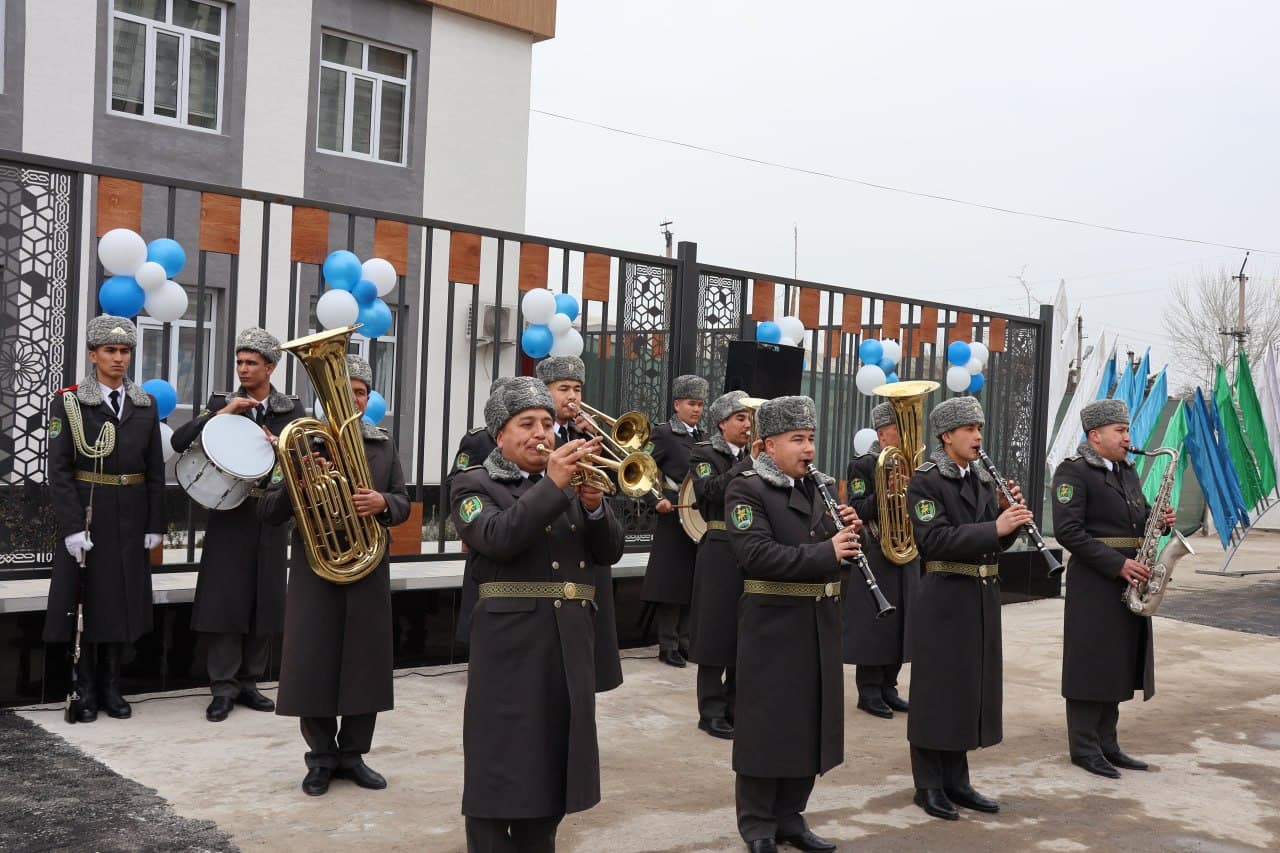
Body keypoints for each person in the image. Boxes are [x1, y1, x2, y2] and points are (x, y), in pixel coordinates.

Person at [452, 376, 625, 853]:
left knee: (553, 758)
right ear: (499, 435)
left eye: (547, 423)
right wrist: (554, 485)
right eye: (525, 423)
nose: (541, 433)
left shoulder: (572, 485)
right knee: (500, 759)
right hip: (508, 643)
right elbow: (498, 538)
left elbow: (608, 552)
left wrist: (594, 508)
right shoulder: (473, 483)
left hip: (568, 641)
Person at [258, 355, 409, 796]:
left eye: (360, 391)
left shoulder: (383, 445)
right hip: (316, 568)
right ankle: (320, 759)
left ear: (367, 399)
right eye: (344, 391)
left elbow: (402, 500)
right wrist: (298, 483)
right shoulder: (300, 444)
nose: (352, 398)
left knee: (366, 664)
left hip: (366, 565)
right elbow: (268, 511)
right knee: (314, 663)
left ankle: (353, 755)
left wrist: (381, 503)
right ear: (325, 398)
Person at [725, 395, 856, 853]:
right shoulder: (746, 488)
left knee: (809, 723)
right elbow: (755, 554)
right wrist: (827, 550)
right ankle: (758, 824)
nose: (808, 449)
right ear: (768, 445)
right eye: (797, 439)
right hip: (772, 624)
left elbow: (832, 553)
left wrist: (848, 537)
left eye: (811, 438)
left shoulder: (817, 486)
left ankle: (790, 817)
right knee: (769, 726)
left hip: (818, 622)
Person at [905, 396, 1032, 821]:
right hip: (943, 595)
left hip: (980, 597)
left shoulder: (978, 477)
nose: (978, 436)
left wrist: (1007, 522)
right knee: (936, 692)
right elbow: (934, 541)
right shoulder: (926, 480)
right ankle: (928, 785)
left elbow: (991, 543)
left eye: (979, 428)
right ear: (947, 436)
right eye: (969, 429)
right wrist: (993, 525)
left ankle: (957, 780)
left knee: (967, 690)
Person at [171, 327, 304, 723]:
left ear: (271, 367)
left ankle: (250, 683)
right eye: (240, 362)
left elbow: (306, 457)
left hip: (272, 511)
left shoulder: (291, 411)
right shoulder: (221, 402)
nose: (243, 369)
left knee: (265, 598)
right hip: (229, 512)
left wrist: (281, 447)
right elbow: (180, 441)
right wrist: (218, 416)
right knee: (225, 600)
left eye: (251, 363)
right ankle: (223, 687)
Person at [44, 314, 166, 723]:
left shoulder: (144, 404)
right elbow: (59, 471)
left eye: (125, 351)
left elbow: (155, 470)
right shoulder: (71, 402)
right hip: (89, 510)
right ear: (93, 354)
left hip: (130, 515)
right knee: (86, 600)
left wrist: (155, 526)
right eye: (110, 351)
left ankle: (113, 686)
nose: (118, 358)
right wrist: (73, 527)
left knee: (123, 602)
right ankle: (84, 687)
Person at [1052, 399, 1175, 779]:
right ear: (1096, 435)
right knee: (1091, 662)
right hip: (1095, 581)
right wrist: (1116, 563)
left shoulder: (1126, 471)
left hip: (1130, 578)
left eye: (1127, 430)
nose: (1128, 438)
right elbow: (1069, 532)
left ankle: (1108, 743)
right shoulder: (1072, 473)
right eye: (1120, 431)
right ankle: (1084, 747)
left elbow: (1136, 520)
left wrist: (1160, 519)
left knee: (1118, 661)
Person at [536, 355, 624, 693]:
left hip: (587, 555)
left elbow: (615, 482)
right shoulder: (531, 437)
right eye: (563, 389)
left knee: (587, 664)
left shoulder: (584, 435)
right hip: (552, 557)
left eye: (577, 388)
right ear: (544, 392)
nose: (572, 396)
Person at [686, 390, 754, 739]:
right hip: (718, 546)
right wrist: (748, 464)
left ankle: (736, 705)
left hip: (751, 548)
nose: (747, 424)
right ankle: (709, 710)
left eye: (749, 418)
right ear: (722, 423)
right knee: (715, 629)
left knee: (745, 631)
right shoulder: (703, 453)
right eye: (740, 418)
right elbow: (710, 491)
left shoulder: (757, 455)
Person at [842, 402, 916, 719]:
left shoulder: (913, 463)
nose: (904, 435)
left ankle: (889, 686)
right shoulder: (864, 465)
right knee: (875, 625)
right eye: (898, 429)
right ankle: (869, 691)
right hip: (878, 547)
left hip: (907, 548)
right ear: (882, 433)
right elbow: (857, 507)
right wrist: (886, 492)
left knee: (901, 623)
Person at [641, 374, 708, 667]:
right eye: (691, 403)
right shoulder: (664, 434)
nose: (696, 409)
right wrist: (656, 501)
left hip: (697, 516)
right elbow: (641, 469)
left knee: (694, 579)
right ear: (677, 404)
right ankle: (667, 643)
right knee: (671, 581)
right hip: (672, 514)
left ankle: (686, 641)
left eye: (701, 404)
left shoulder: (703, 438)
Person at [449, 376, 513, 646]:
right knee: (479, 594)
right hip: (486, 524)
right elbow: (455, 479)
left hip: (518, 523)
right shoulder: (477, 439)